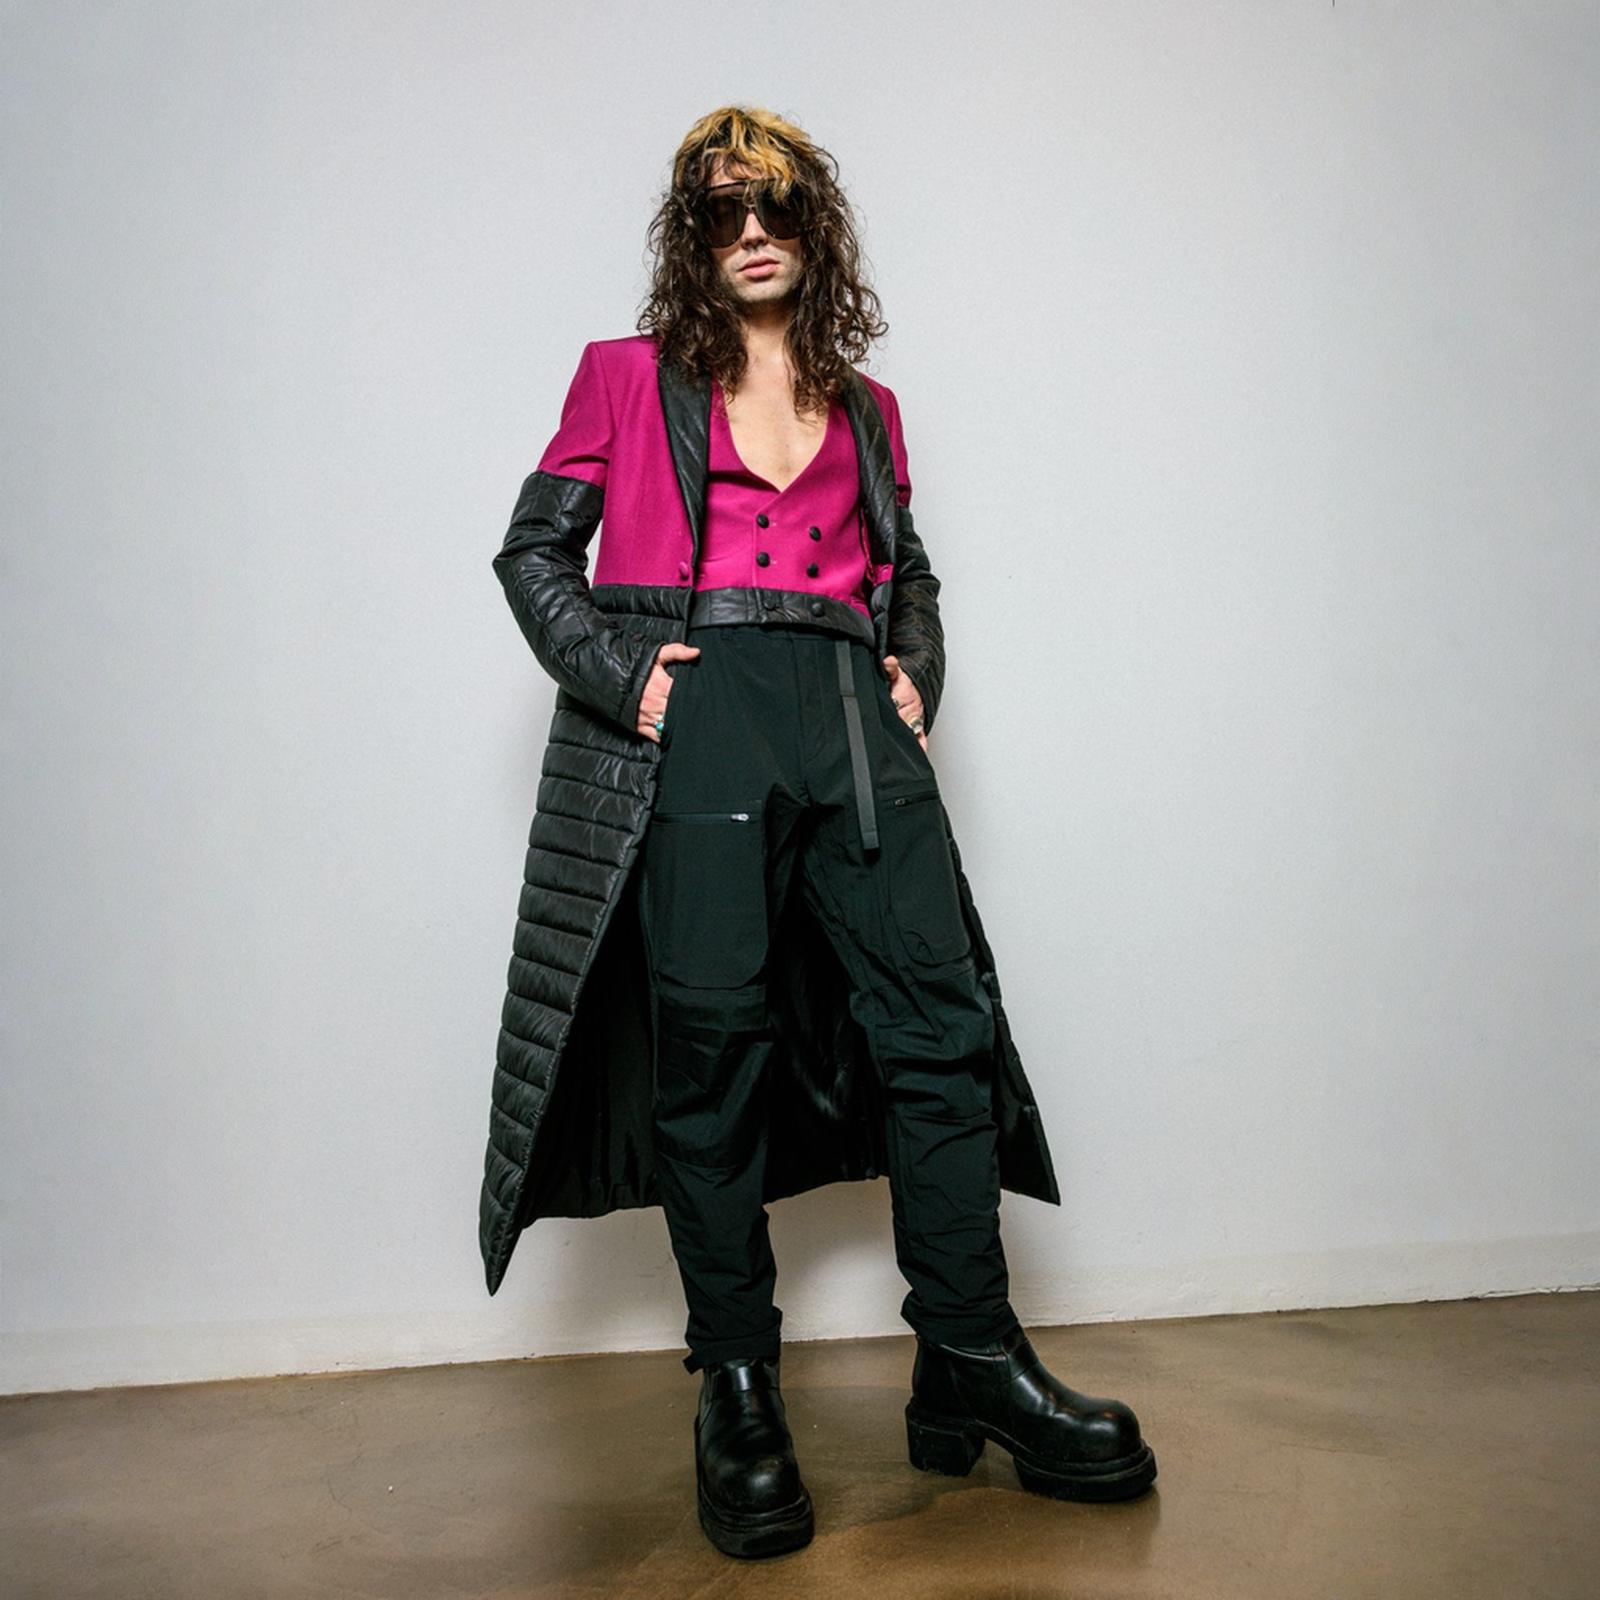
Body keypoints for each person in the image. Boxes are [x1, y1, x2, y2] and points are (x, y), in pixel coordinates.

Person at [480, 105, 1156, 1558]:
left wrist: (915, 663)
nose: (751, 232)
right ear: (691, 236)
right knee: (711, 1044)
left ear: (815, 226)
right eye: (721, 211)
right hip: (709, 707)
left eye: (776, 206)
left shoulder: (869, 405)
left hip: (852, 719)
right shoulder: (623, 377)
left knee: (939, 1028)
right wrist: (624, 674)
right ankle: (736, 1384)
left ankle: (969, 1356)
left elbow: (911, 574)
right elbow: (533, 551)